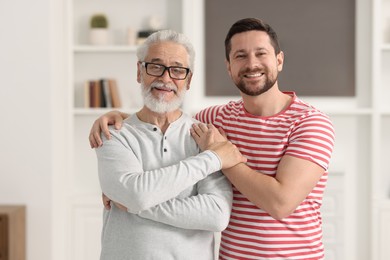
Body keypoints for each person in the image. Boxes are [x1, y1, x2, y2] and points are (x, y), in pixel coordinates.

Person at [90, 18, 335, 260]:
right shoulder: (215, 120)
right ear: (229, 66)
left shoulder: (310, 123)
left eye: (261, 53)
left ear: (279, 60)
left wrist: (135, 202)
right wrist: (122, 118)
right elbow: (164, 113)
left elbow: (280, 204)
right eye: (240, 55)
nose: (252, 63)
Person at [94, 29, 247, 260]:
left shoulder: (204, 135)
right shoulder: (113, 133)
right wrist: (211, 159)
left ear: (188, 80)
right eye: (155, 67)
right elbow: (136, 195)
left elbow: (216, 215)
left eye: (177, 70)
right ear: (139, 71)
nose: (166, 79)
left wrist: (137, 203)